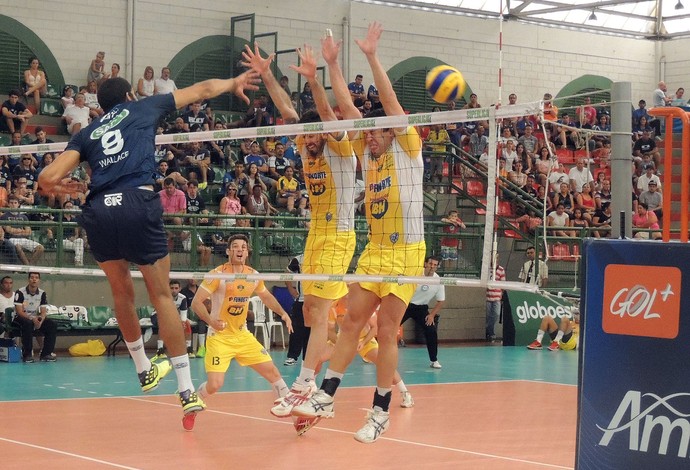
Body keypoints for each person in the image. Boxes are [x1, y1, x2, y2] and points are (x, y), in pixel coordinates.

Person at [38, 68, 259, 426]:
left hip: (99, 210)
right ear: (128, 97)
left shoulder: (88, 132)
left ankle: (143, 369)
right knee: (161, 296)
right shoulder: (142, 109)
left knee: (121, 294)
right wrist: (234, 83)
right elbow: (202, 87)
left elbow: (46, 179)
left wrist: (72, 190)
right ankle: (187, 391)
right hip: (136, 202)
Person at [293, 23, 425, 443]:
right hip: (374, 250)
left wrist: (370, 56)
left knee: (386, 331)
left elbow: (389, 106)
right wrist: (330, 66)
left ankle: (381, 410)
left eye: (377, 129)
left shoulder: (406, 146)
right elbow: (344, 109)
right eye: (369, 131)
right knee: (350, 321)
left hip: (407, 252)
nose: (370, 134)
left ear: (393, 130)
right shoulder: (368, 155)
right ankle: (327, 395)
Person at [240, 43, 357, 426]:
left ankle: (306, 384)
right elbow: (287, 110)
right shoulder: (306, 148)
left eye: (312, 135)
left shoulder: (340, 149)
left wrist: (314, 78)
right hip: (316, 236)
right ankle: (326, 359)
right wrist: (267, 73)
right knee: (310, 311)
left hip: (339, 236)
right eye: (304, 137)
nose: (307, 140)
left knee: (318, 310)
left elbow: (324, 112)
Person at [190, 234, 294, 431]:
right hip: (219, 337)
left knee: (273, 372)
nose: (240, 250)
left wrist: (283, 313)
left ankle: (296, 418)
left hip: (243, 335)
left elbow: (266, 297)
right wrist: (211, 320)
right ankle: (193, 403)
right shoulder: (217, 274)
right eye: (235, 246)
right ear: (228, 251)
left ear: (247, 252)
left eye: (243, 247)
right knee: (215, 385)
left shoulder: (252, 275)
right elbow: (196, 303)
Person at [322, 295, 414, 408]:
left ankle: (405, 393)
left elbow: (374, 327)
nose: (347, 292)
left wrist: (363, 342)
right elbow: (330, 330)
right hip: (344, 339)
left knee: (384, 365)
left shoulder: (363, 304)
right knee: (319, 357)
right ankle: (312, 390)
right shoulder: (334, 306)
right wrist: (339, 343)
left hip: (364, 340)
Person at [400, 256, 445, 368]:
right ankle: (371, 353)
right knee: (388, 328)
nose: (432, 267)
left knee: (431, 331)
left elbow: (441, 301)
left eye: (435, 265)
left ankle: (434, 360)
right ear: (425, 264)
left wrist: (431, 315)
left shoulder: (438, 280)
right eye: (430, 264)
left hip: (421, 309)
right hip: (405, 305)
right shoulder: (415, 273)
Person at [12, 272, 57, 362]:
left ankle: (46, 354)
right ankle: (27, 355)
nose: (34, 279)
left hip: (35, 318)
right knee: (28, 324)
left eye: (36, 277)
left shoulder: (42, 293)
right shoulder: (20, 292)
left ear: (39, 280)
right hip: (20, 318)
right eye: (32, 277)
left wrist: (40, 320)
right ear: (28, 279)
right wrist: (33, 319)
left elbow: (43, 311)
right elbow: (19, 311)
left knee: (52, 324)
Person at [151, 279, 194, 360]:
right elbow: (162, 312)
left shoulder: (183, 298)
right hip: (158, 315)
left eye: (176, 288)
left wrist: (183, 322)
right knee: (163, 323)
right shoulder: (163, 297)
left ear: (180, 289)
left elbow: (183, 314)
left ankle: (188, 349)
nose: (174, 290)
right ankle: (160, 350)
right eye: (172, 288)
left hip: (172, 317)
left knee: (186, 324)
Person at [0, 196, 44, 265]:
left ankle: (29, 266)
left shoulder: (24, 217)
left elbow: (28, 232)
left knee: (40, 248)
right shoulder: (4, 216)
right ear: (8, 204)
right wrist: (22, 231)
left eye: (15, 203)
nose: (13, 204)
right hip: (11, 239)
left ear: (18, 204)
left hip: (24, 239)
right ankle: (28, 267)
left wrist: (18, 231)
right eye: (11, 203)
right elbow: (9, 230)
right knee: (18, 246)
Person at [284, 254, 310, 366]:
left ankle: (308, 358)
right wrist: (290, 289)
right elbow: (287, 274)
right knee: (297, 330)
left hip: (316, 301)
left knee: (312, 331)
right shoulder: (299, 259)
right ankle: (292, 356)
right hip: (301, 301)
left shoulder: (323, 258)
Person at [180, 279, 207, 357]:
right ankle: (188, 348)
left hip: (201, 315)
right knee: (185, 324)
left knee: (201, 322)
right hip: (188, 315)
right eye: (190, 278)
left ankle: (202, 348)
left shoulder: (201, 290)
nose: (192, 280)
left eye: (194, 278)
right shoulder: (183, 292)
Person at [486, 256, 505, 342]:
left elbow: (503, 283)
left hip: (497, 296)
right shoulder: (486, 269)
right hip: (487, 296)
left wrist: (502, 295)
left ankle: (489, 331)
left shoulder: (501, 269)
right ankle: (491, 333)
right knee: (488, 315)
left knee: (496, 314)